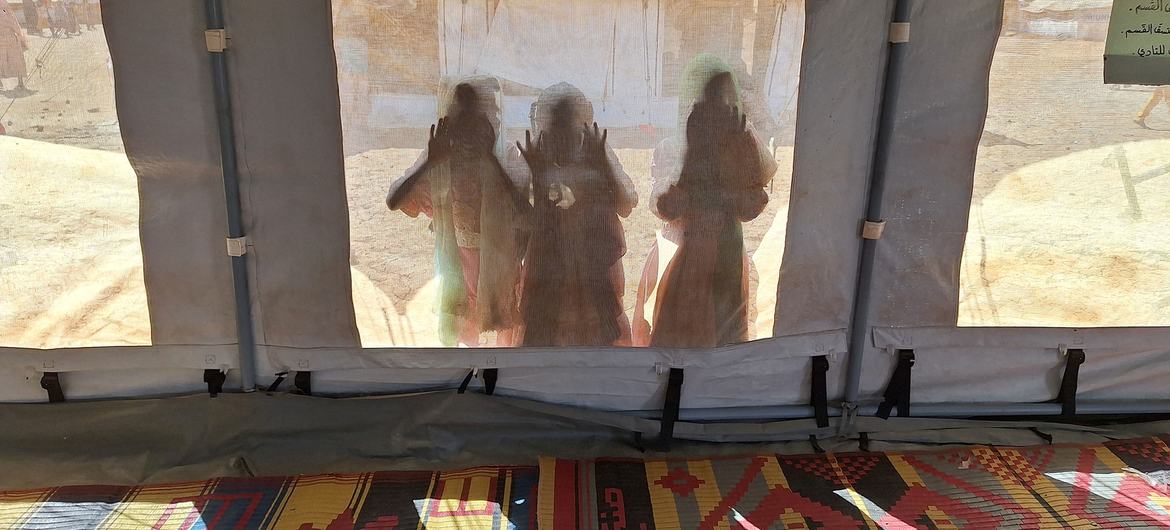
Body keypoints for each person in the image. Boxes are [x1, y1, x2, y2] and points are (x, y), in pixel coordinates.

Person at [642, 54, 776, 348]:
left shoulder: (741, 144)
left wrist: (744, 140)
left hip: (725, 249)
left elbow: (756, 194)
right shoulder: (672, 148)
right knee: (679, 335)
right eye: (704, 106)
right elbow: (660, 204)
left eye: (725, 103)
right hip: (679, 247)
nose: (714, 113)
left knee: (722, 331)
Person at [386, 76, 529, 347]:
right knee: (464, 350)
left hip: (501, 274)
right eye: (468, 118)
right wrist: (429, 161)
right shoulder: (440, 162)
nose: (486, 122)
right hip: (456, 276)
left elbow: (529, 216)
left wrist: (492, 163)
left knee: (504, 350)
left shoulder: (507, 157)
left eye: (490, 113)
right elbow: (394, 200)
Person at [512, 83, 638, 347]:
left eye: (568, 124)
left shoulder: (596, 152)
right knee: (548, 334)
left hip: (593, 267)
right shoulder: (533, 154)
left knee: (594, 337)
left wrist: (602, 165)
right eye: (554, 124)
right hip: (548, 268)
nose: (562, 134)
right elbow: (519, 218)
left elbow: (627, 204)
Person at [0, 4, 30, 94]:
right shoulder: (7, 12)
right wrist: (22, 39)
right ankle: (20, 82)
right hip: (11, 39)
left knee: (1, 61)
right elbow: (15, 26)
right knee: (17, 60)